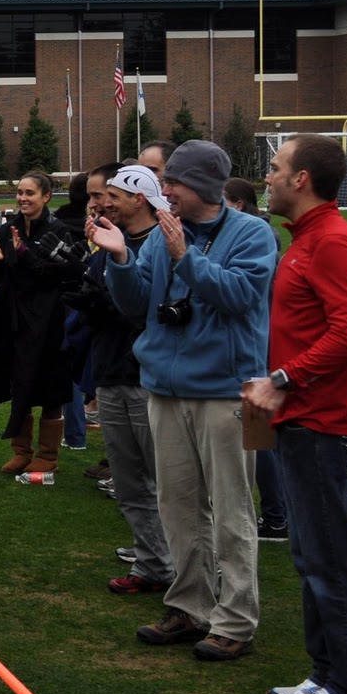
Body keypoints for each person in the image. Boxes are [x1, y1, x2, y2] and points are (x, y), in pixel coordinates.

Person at [93, 140, 275, 661]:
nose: (163, 190)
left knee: (232, 509)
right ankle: (190, 606)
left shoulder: (251, 233)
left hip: (225, 392)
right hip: (165, 389)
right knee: (177, 506)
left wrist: (185, 258)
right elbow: (135, 306)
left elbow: (240, 297)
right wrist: (123, 259)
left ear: (201, 187)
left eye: (171, 182)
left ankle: (236, 619)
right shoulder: (162, 235)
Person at [245, 134, 347, 694]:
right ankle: (328, 675)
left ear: (302, 179)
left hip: (326, 424)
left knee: (331, 559)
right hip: (304, 420)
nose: (268, 178)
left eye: (276, 168)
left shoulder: (331, 240)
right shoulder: (305, 240)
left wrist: (283, 376)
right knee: (312, 557)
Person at [77, 164, 175, 596]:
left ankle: (185, 567)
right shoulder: (107, 239)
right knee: (129, 481)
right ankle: (152, 564)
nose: (104, 202)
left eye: (114, 195)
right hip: (111, 370)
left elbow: (152, 310)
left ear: (140, 199)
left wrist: (109, 304)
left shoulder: (163, 242)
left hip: (145, 375)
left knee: (165, 481)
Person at [0, 171, 84, 475]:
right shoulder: (9, 229)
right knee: (17, 382)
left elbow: (63, 275)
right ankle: (21, 451)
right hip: (14, 318)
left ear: (46, 196)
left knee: (50, 387)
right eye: (20, 192)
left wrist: (24, 255)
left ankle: (47, 455)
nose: (22, 198)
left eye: (29, 193)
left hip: (48, 320)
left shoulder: (59, 231)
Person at [224, 176, 289, 544]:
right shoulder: (260, 233)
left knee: (259, 440)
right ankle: (278, 515)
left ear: (236, 204)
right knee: (258, 439)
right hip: (259, 349)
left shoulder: (258, 236)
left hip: (257, 352)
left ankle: (277, 517)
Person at [53, 172, 94, 454]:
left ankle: (75, 432)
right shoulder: (98, 225)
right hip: (89, 299)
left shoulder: (57, 223)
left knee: (70, 367)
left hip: (67, 300)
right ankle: (78, 430)